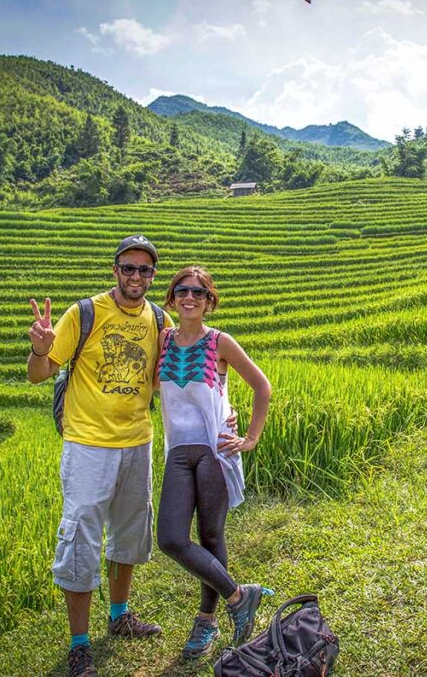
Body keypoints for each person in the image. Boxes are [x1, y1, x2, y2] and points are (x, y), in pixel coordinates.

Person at [26, 235, 169, 677]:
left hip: (137, 442)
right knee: (81, 538)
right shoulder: (84, 313)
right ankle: (79, 642)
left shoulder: (158, 320)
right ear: (115, 270)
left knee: (129, 532)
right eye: (128, 267)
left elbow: (164, 383)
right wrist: (40, 345)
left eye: (145, 270)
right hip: (88, 445)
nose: (136, 276)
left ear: (152, 276)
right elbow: (38, 375)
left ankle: (120, 615)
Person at [154, 265, 273, 659]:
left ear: (209, 301)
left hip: (214, 452)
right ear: (172, 298)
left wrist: (250, 438)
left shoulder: (220, 342)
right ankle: (240, 596)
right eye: (182, 291)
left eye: (198, 293)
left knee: (209, 536)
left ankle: (206, 621)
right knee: (171, 537)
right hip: (178, 451)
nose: (190, 298)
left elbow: (262, 386)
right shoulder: (163, 341)